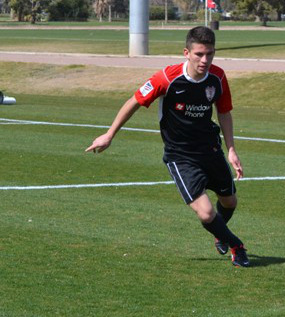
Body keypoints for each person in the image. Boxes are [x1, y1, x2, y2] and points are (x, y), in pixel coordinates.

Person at [86, 26, 250, 267]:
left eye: (210, 54)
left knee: (230, 202)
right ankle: (237, 245)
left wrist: (232, 149)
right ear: (187, 52)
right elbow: (134, 101)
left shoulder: (218, 77)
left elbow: (224, 112)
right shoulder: (167, 78)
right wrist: (110, 134)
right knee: (205, 212)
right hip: (180, 155)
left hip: (210, 150)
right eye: (199, 54)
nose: (205, 60)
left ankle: (219, 233)